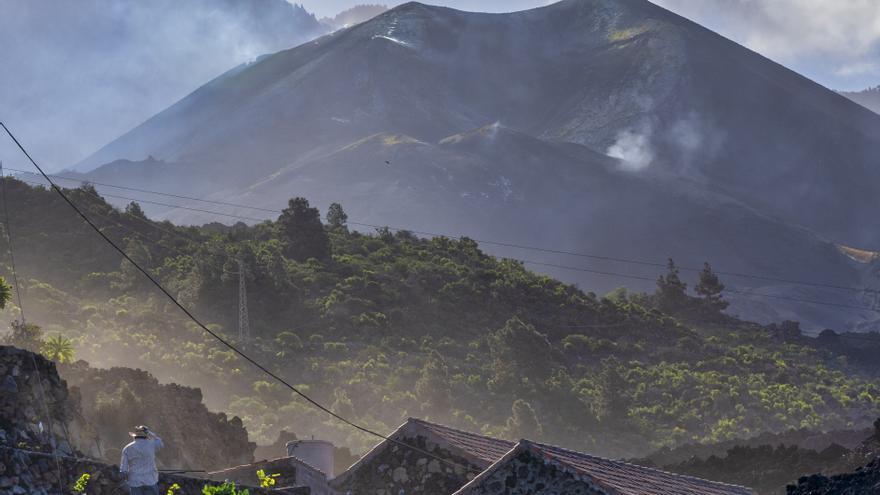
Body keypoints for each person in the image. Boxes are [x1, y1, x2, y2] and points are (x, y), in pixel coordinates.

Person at [120, 425, 164, 495]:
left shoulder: (127, 448)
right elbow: (160, 443)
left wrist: (126, 481)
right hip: (150, 480)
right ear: (146, 435)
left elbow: (123, 470)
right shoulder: (152, 444)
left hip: (134, 482)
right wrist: (150, 433)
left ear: (134, 436)